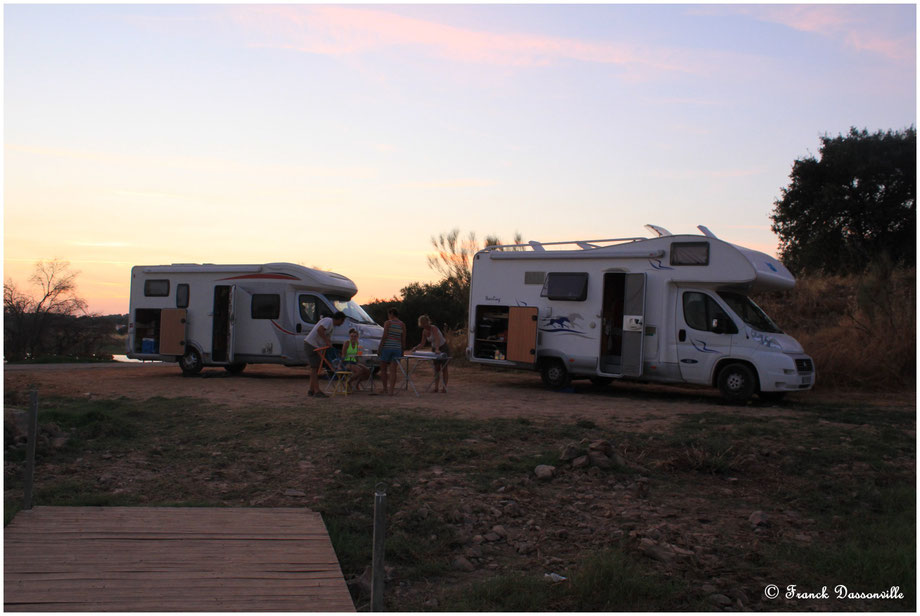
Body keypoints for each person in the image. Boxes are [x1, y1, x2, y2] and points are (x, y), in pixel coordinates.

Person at [304, 311, 346, 398]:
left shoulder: (331, 325)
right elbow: (320, 330)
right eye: (342, 321)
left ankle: (311, 390)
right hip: (311, 345)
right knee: (314, 368)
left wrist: (328, 343)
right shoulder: (328, 321)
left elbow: (326, 337)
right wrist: (327, 341)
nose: (342, 324)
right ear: (339, 319)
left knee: (315, 368)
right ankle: (317, 391)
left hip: (316, 346)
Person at [410, 315, 450, 393]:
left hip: (442, 347)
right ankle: (436, 387)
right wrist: (416, 348)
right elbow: (422, 343)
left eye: (425, 323)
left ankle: (444, 387)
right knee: (436, 368)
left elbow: (437, 339)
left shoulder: (433, 328)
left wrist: (438, 349)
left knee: (444, 368)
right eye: (422, 324)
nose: (424, 326)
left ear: (428, 322)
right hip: (435, 348)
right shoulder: (424, 331)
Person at [377, 308, 405, 395]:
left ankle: (385, 388)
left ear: (391, 314)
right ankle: (391, 391)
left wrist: (380, 348)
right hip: (397, 348)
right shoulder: (402, 324)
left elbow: (385, 336)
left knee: (383, 369)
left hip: (387, 348)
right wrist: (402, 350)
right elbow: (403, 338)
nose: (388, 317)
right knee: (393, 371)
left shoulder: (388, 323)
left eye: (389, 315)